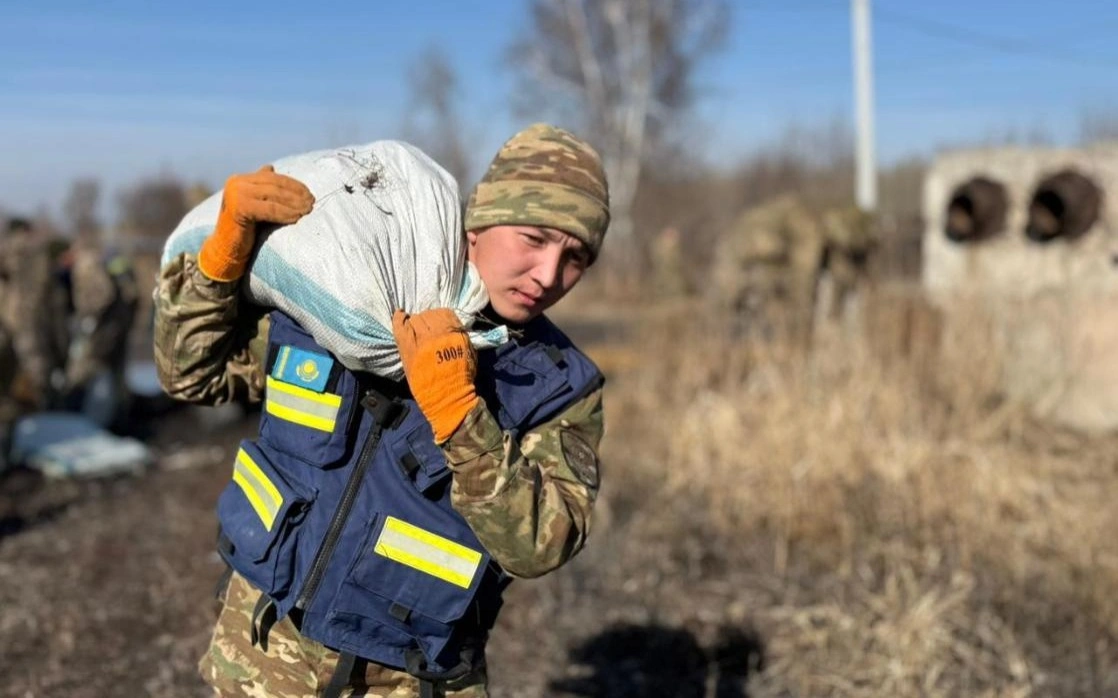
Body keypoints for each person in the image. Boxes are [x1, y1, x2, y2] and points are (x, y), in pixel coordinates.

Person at [153, 123, 610, 697]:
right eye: (534, 239)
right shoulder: (341, 292)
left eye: (575, 258)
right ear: (479, 224)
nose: (548, 276)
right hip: (257, 660)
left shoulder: (559, 384)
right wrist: (216, 269)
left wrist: (462, 418)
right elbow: (191, 375)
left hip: (404, 683)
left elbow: (543, 544)